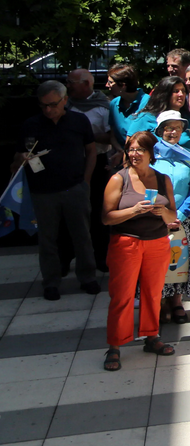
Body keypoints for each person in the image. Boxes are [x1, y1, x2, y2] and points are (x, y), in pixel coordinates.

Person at [14, 80, 99, 300]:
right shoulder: (31, 125)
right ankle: (51, 282)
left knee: (82, 235)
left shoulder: (79, 121)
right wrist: (21, 158)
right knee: (47, 239)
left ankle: (88, 277)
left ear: (65, 100)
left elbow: (91, 151)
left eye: (53, 104)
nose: (48, 110)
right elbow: (17, 159)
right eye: (43, 105)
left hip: (75, 187)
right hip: (42, 191)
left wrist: (86, 180)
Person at [102, 132, 176, 370]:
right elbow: (106, 217)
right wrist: (133, 210)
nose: (134, 154)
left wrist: (162, 212)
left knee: (153, 294)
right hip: (126, 243)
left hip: (157, 242)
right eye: (131, 149)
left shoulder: (163, 179)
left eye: (140, 150)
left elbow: (173, 216)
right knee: (122, 296)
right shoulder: (118, 179)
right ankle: (114, 346)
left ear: (151, 153)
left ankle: (151, 337)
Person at [154, 112, 190, 323]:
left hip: (185, 217)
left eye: (178, 128)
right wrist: (160, 213)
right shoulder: (152, 155)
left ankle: (176, 302)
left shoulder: (188, 155)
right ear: (159, 130)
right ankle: (157, 302)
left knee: (180, 261)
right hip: (156, 217)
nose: (173, 132)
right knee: (158, 262)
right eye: (169, 127)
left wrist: (181, 214)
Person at [65, 68, 114, 273]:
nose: (68, 86)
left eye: (72, 82)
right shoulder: (65, 104)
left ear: (86, 84)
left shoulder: (104, 106)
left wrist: (85, 135)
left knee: (96, 209)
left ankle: (100, 256)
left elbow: (110, 136)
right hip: (70, 162)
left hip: (98, 161)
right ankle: (66, 257)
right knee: (68, 211)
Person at [107, 64, 148, 143]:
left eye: (110, 82)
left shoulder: (147, 103)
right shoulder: (114, 104)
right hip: (119, 149)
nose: (107, 85)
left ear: (123, 85)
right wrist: (119, 149)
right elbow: (113, 135)